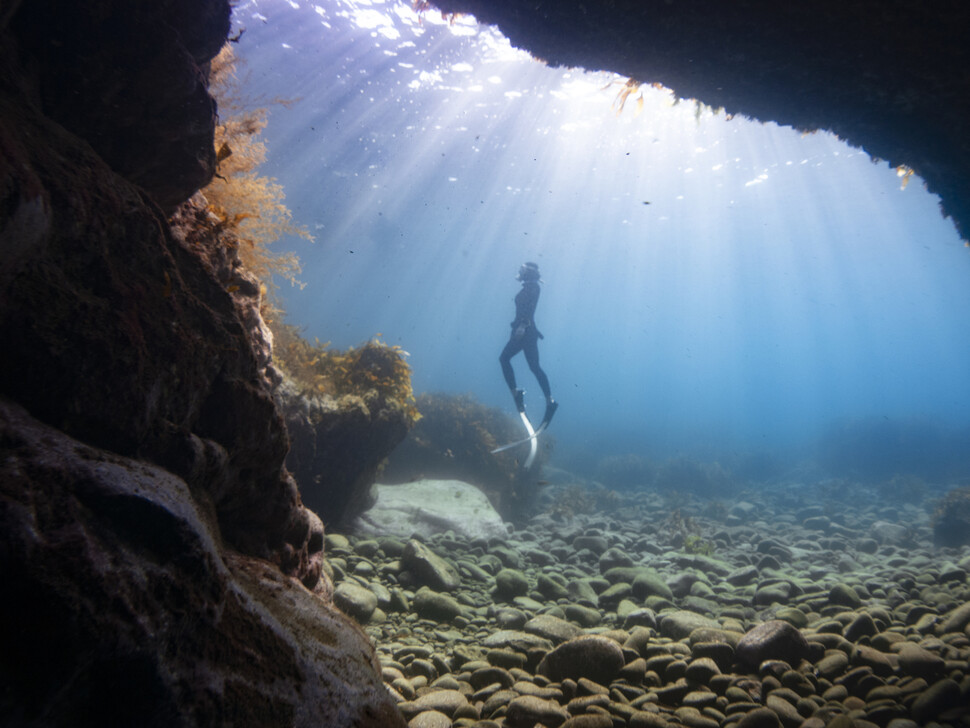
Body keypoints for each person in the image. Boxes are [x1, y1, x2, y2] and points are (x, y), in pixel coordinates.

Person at [499, 262, 557, 425]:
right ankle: (548, 401)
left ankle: (520, 394)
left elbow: (529, 308)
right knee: (533, 367)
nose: (520, 272)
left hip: (525, 333)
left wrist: (523, 325)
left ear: (528, 273)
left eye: (522, 270)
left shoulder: (533, 288)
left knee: (505, 359)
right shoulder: (529, 287)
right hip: (526, 333)